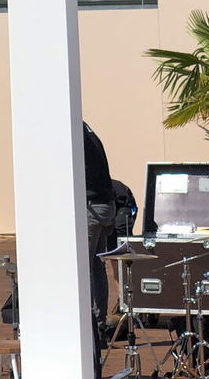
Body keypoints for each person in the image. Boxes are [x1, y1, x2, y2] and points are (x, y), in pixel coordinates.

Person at [83, 123, 118, 350]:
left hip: (92, 207)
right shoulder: (88, 132)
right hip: (105, 205)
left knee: (83, 268)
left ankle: (90, 331)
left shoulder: (73, 132)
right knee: (96, 267)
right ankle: (98, 328)